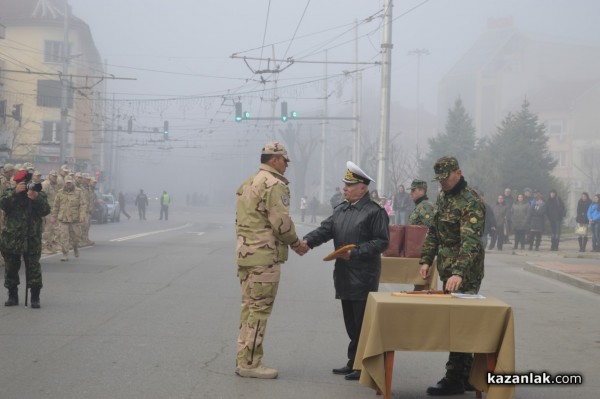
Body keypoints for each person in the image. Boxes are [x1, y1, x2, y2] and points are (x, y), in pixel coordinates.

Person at [303, 161, 390, 381]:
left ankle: (362, 365)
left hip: (363, 275)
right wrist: (305, 242)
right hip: (343, 274)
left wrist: (356, 252)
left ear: (363, 188)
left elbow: (381, 242)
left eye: (350, 185)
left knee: (362, 323)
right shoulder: (341, 209)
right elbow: (326, 230)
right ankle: (353, 361)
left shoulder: (374, 212)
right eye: (345, 184)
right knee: (351, 323)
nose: (345, 188)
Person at [235, 141, 308, 379]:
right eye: (285, 161)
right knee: (259, 310)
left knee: (248, 308)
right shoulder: (274, 184)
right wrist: (297, 244)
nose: (286, 166)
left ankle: (243, 359)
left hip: (246, 255)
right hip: (264, 258)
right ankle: (251, 364)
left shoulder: (249, 182)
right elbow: (281, 224)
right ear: (275, 159)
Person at [418, 156, 485, 395]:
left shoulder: (471, 201)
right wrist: (426, 259)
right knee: (458, 323)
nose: (442, 183)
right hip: (448, 271)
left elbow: (471, 242)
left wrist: (459, 272)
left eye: (445, 178)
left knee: (460, 325)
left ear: (458, 172)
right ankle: (466, 376)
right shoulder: (444, 197)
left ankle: (454, 378)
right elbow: (434, 231)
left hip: (466, 272)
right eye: (439, 180)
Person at [1, 169, 51, 308]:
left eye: (26, 183)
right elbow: (3, 204)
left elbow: (45, 210)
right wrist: (15, 192)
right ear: (17, 183)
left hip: (31, 238)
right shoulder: (9, 193)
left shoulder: (37, 194)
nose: (25, 186)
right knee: (11, 268)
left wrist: (35, 198)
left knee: (33, 268)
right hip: (12, 239)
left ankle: (35, 297)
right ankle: (12, 296)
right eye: (22, 184)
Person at [52, 176, 88, 261]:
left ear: (72, 182)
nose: (68, 184)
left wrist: (82, 215)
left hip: (74, 219)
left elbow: (83, 205)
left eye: (70, 182)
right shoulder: (60, 192)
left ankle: (75, 248)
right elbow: (56, 205)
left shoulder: (79, 192)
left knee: (76, 237)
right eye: (67, 182)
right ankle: (65, 254)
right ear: (64, 183)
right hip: (63, 219)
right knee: (64, 237)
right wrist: (54, 216)